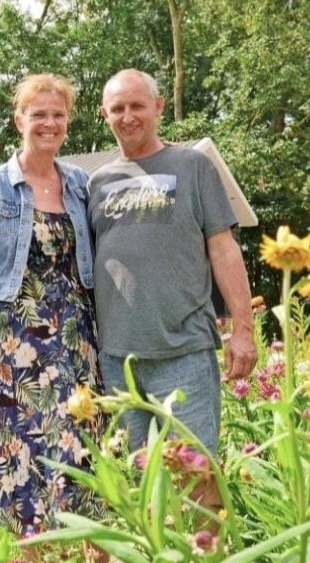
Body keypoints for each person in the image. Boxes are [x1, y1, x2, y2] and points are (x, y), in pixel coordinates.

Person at [0, 74, 106, 547]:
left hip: (76, 342)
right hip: (15, 344)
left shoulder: (81, 184)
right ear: (19, 119)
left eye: (58, 115)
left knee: (86, 453)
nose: (49, 123)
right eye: (38, 114)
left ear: (68, 122)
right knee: (22, 462)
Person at [89, 69, 257, 484]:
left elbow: (224, 249)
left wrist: (244, 329)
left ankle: (206, 551)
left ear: (158, 107)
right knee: (138, 482)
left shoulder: (193, 166)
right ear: (105, 115)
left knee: (195, 476)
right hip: (117, 361)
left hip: (183, 353)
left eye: (137, 106)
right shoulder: (96, 182)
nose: (128, 116)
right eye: (117, 109)